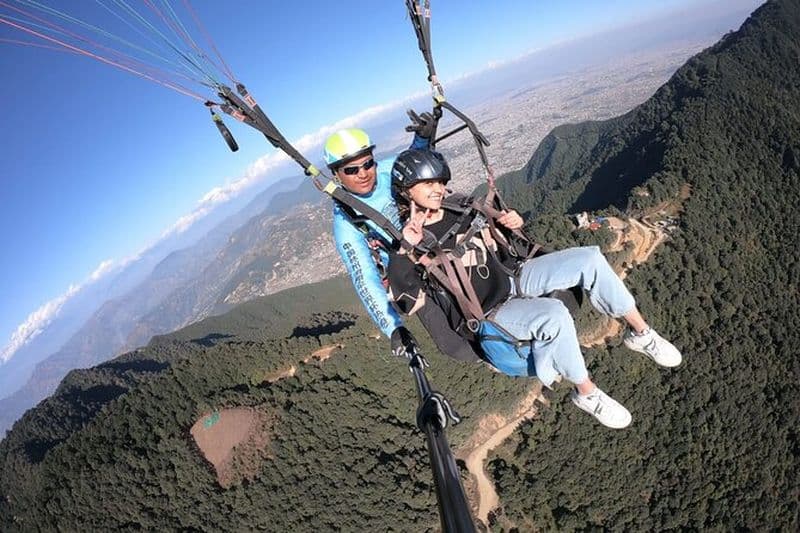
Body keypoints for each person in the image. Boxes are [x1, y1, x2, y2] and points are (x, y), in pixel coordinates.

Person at [386, 149, 683, 429]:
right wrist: (404, 249)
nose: (437, 188)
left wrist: (510, 221)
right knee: (553, 315)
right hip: (491, 310)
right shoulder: (409, 243)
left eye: (439, 181)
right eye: (427, 183)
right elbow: (406, 300)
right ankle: (586, 392)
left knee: (589, 258)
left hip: (513, 275)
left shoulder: (458, 205)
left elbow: (502, 237)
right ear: (406, 190)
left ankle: (641, 334)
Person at [324, 113, 435, 354]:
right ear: (337, 175)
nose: (363, 173)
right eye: (352, 169)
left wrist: (422, 138)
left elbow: (412, 161)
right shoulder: (346, 221)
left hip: (434, 237)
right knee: (453, 343)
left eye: (367, 163)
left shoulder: (387, 170)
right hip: (409, 270)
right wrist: (393, 327)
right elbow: (364, 277)